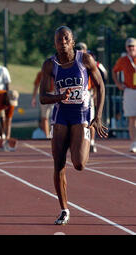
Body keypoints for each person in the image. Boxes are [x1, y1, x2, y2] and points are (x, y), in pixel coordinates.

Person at [39, 26, 107, 225]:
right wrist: (59, 96)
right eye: (58, 40)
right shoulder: (49, 65)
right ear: (54, 43)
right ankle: (64, 209)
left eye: (66, 39)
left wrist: (99, 116)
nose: (62, 42)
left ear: (73, 41)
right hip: (61, 114)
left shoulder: (85, 59)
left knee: (78, 164)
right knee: (58, 164)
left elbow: (100, 85)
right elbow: (43, 97)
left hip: (82, 113)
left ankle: (85, 137)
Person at [112, 37, 136, 153]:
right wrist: (118, 84)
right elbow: (114, 71)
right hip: (130, 90)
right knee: (132, 118)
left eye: (133, 46)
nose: (131, 48)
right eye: (129, 46)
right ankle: (134, 142)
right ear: (126, 48)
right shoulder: (123, 60)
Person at [31, 69, 54, 139]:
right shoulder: (41, 74)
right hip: (44, 94)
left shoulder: (55, 72)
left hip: (53, 94)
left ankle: (53, 134)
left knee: (53, 115)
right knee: (44, 116)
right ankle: (47, 135)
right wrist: (33, 98)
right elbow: (36, 85)